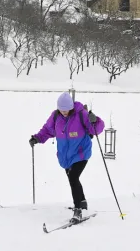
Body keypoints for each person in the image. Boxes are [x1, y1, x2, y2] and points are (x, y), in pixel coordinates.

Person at [30, 93, 104, 223]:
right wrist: (37, 138)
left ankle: (78, 210)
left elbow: (95, 130)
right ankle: (82, 202)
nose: (64, 112)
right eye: (61, 110)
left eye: (66, 110)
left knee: (73, 177)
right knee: (73, 178)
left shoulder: (81, 115)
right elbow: (47, 130)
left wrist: (96, 120)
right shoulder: (55, 116)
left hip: (81, 153)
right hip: (66, 156)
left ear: (71, 107)